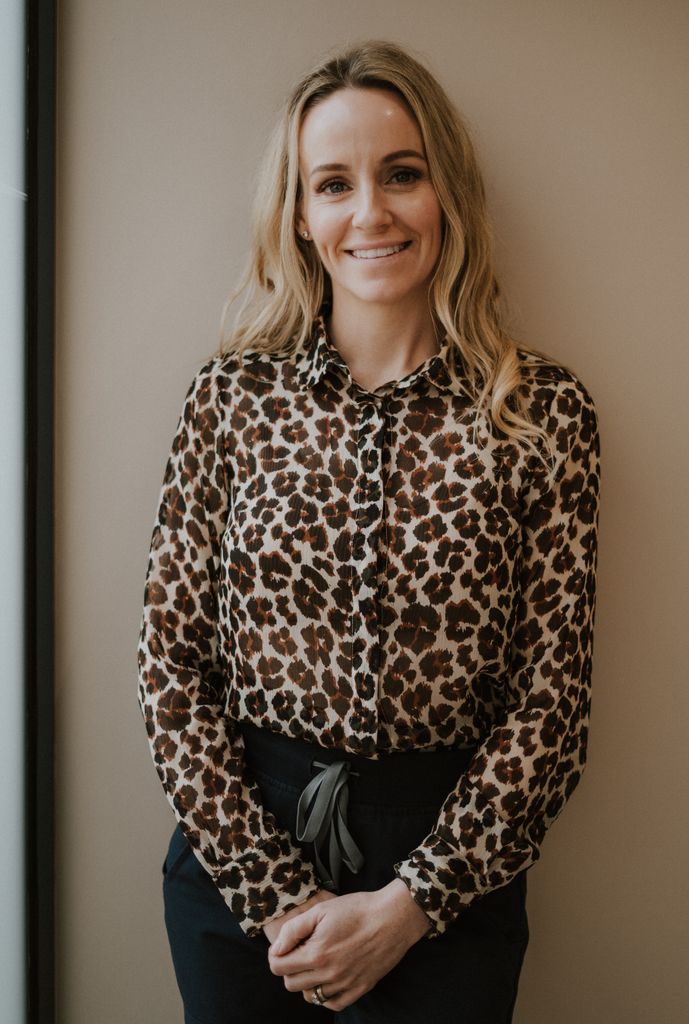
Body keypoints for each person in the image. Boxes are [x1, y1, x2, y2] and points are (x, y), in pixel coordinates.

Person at [137, 39, 601, 1024]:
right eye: (333, 184)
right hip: (236, 864)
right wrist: (279, 900)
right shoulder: (229, 401)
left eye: (400, 174)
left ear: (446, 193)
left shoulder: (542, 415)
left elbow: (549, 701)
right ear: (301, 218)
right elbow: (169, 668)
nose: (370, 212)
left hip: (450, 877)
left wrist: (409, 905)